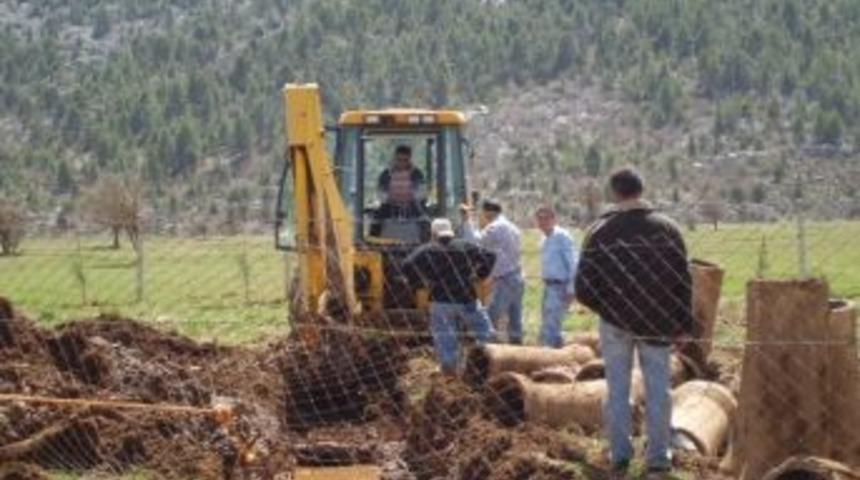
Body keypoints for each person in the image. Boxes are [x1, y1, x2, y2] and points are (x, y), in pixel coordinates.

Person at [574, 168, 692, 479]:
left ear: (615, 193)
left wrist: (609, 309)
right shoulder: (667, 229)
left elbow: (583, 287)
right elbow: (683, 281)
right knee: (658, 390)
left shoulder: (600, 232)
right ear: (642, 189)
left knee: (617, 390)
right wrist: (682, 324)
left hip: (615, 324)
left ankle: (620, 457)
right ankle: (658, 459)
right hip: (657, 322)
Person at [402, 218, 496, 374]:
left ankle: (451, 373)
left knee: (446, 339)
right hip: (467, 299)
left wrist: (419, 283)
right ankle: (488, 363)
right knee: (484, 332)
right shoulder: (465, 246)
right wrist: (480, 275)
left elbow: (407, 264)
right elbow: (491, 256)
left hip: (441, 301)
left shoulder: (428, 249)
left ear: (433, 234)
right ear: (451, 231)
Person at [461, 199, 525, 344]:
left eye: (483, 213)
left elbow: (474, 241)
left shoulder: (495, 227)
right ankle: (518, 348)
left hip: (505, 279)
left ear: (488, 212)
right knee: (515, 318)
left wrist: (467, 221)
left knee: (490, 316)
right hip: (517, 276)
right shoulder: (513, 227)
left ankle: (486, 348)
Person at [536, 205, 579, 348]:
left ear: (554, 219)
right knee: (551, 323)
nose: (542, 222)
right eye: (540, 219)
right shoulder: (545, 238)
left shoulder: (561, 236)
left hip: (560, 286)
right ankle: (560, 354)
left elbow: (573, 263)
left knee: (551, 325)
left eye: (546, 218)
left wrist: (572, 288)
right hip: (549, 286)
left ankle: (548, 357)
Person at [371, 145, 427, 238]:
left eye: (405, 160)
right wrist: (388, 198)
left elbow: (421, 192)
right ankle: (371, 243)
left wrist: (412, 197)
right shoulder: (386, 174)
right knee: (376, 221)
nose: (402, 163)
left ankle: (427, 243)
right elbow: (380, 192)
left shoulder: (417, 174)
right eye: (399, 160)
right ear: (395, 159)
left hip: (412, 206)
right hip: (390, 206)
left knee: (424, 220)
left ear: (409, 159)